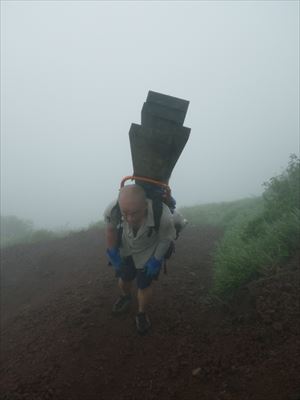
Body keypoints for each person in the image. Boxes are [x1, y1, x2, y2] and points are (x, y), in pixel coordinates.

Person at [104, 184, 184, 335]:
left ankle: (141, 313)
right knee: (124, 276)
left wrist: (155, 260)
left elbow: (165, 240)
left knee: (144, 284)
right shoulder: (113, 209)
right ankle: (125, 296)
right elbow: (110, 229)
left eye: (134, 213)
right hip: (127, 248)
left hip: (149, 251)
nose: (129, 218)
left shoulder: (164, 215)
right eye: (125, 213)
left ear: (146, 205)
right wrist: (112, 252)